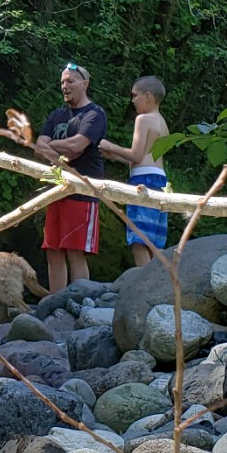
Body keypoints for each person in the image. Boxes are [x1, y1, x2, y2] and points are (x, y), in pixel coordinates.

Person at [33, 62, 107, 291]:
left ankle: (80, 302)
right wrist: (56, 148)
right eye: (62, 82)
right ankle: (56, 303)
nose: (64, 86)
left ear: (84, 84)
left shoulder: (94, 114)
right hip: (55, 190)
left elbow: (77, 146)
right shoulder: (57, 115)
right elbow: (38, 147)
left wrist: (51, 146)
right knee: (53, 251)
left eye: (70, 81)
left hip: (82, 191)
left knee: (75, 251)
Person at [99, 74, 170, 266]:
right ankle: (161, 283)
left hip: (143, 182)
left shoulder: (143, 119)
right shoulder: (162, 123)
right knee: (155, 240)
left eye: (135, 95)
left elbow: (137, 155)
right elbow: (146, 157)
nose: (133, 101)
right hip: (160, 180)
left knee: (140, 239)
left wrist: (109, 146)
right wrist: (117, 157)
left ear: (147, 96)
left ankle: (143, 289)